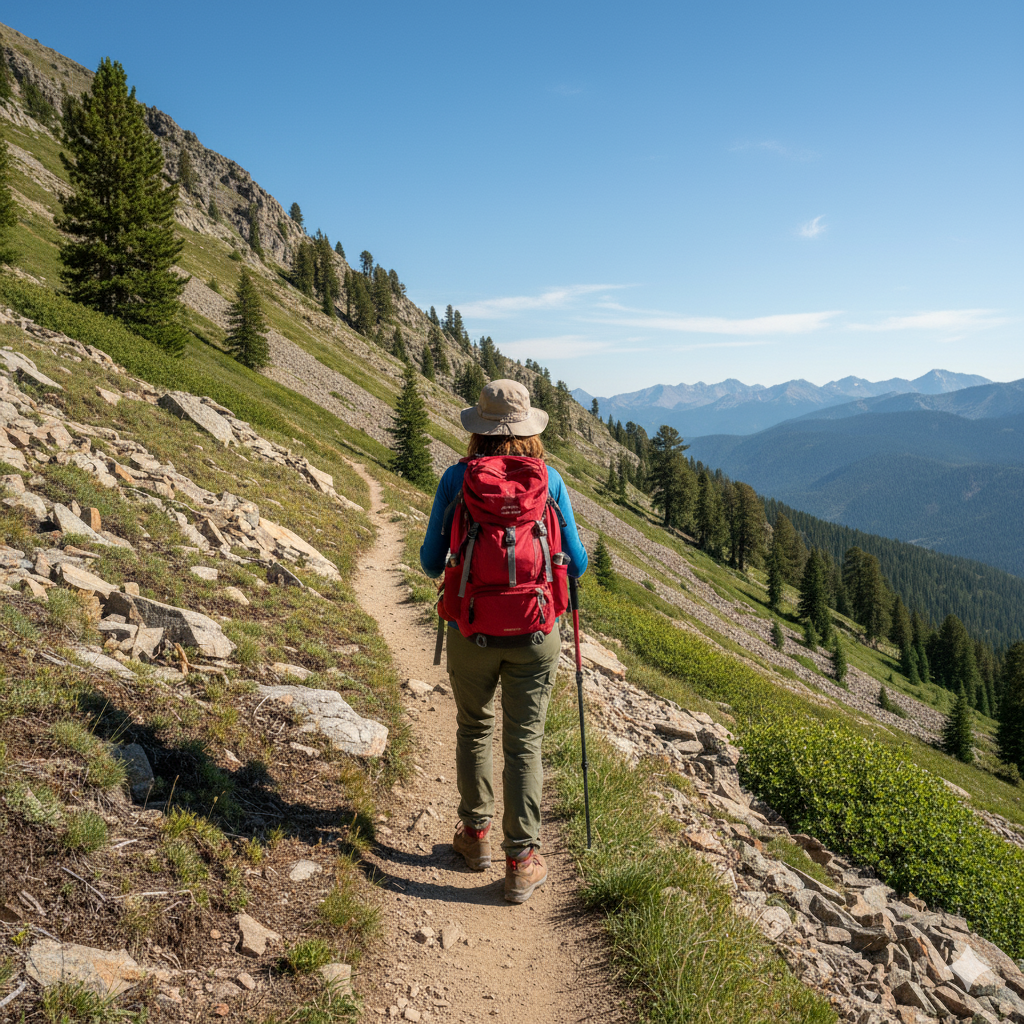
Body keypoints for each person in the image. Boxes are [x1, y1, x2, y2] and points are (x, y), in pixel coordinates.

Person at [420, 379, 588, 903]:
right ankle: (522, 860)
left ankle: (474, 838)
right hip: (537, 629)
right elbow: (577, 564)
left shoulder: (455, 479)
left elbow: (429, 562)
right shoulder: (550, 480)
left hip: (471, 628)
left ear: (478, 429)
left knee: (474, 726)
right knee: (525, 742)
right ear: (528, 429)